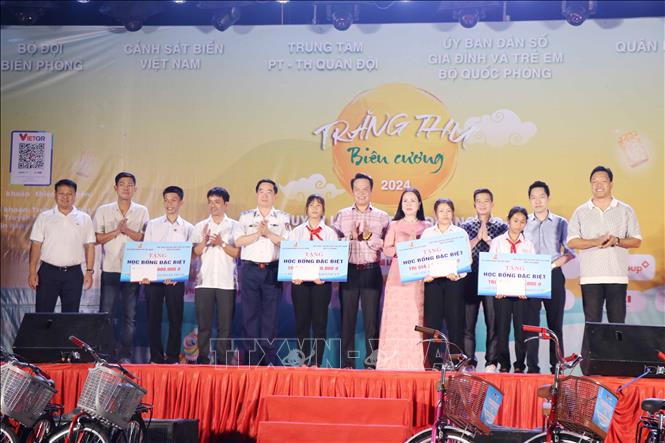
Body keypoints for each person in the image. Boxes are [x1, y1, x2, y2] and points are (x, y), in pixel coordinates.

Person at [567, 166, 641, 326]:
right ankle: (593, 345)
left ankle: (618, 345)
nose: (598, 185)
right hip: (590, 278)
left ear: (611, 184)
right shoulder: (580, 211)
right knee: (593, 327)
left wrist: (617, 240)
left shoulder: (625, 210)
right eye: (594, 181)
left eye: (603, 181)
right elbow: (572, 241)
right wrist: (595, 241)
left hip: (617, 277)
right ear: (590, 184)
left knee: (618, 326)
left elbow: (636, 241)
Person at [333, 173, 390, 369]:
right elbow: (333, 244)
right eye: (357, 189)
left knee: (371, 322)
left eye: (365, 189)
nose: (361, 193)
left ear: (371, 191)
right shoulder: (342, 215)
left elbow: (388, 246)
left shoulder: (382, 216)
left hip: (371, 270)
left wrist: (369, 238)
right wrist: (349, 237)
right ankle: (347, 364)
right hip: (349, 271)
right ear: (352, 191)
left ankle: (371, 364)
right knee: (347, 320)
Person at [94, 172, 149, 363]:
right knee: (106, 314)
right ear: (115, 188)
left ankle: (125, 354)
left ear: (135, 188)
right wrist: (117, 231)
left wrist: (127, 230)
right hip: (110, 269)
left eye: (130, 184)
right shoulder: (104, 210)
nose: (126, 187)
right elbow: (97, 238)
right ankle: (105, 353)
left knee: (129, 316)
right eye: (122, 184)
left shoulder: (142, 211)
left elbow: (145, 238)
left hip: (133, 270)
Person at [235, 179, 290, 366]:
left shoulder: (282, 218)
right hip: (250, 270)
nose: (265, 195)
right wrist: (258, 234)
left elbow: (288, 244)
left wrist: (268, 234)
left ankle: (268, 361)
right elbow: (238, 241)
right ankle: (251, 360)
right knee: (249, 316)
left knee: (270, 318)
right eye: (261, 191)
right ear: (256, 194)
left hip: (272, 271)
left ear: (275, 195)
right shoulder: (245, 217)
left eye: (269, 191)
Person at [377, 188, 430, 371]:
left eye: (413, 200)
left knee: (415, 317)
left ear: (419, 204)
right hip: (397, 277)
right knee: (395, 319)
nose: (408, 204)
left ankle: (415, 363)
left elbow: (431, 250)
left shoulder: (427, 226)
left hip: (418, 277)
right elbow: (387, 248)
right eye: (405, 201)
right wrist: (404, 250)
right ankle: (391, 362)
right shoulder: (395, 225)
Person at [525, 180, 575, 374]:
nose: (537, 201)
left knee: (555, 324)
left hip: (553, 274)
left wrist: (553, 265)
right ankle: (532, 368)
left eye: (541, 197)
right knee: (531, 324)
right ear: (529, 200)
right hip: (530, 276)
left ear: (548, 198)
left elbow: (570, 252)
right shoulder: (524, 222)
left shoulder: (561, 222)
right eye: (533, 197)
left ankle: (557, 367)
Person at [143, 186, 196, 364]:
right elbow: (147, 251)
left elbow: (189, 256)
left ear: (181, 202)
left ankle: (173, 357)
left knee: (175, 318)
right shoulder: (153, 224)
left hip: (175, 280)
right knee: (153, 319)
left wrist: (176, 274)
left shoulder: (188, 228)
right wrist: (148, 274)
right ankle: (156, 357)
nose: (169, 204)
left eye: (173, 200)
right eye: (166, 200)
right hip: (153, 280)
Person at [29, 179, 95, 312]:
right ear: (55, 195)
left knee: (70, 316)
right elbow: (35, 245)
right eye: (61, 193)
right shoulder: (44, 217)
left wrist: (89, 272)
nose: (65, 197)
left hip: (73, 274)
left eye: (69, 194)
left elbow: (90, 246)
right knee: (43, 314)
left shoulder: (84, 218)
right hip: (47, 273)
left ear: (75, 195)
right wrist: (32, 272)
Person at [460, 188, 507, 372]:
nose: (482, 204)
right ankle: (469, 362)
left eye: (486, 201)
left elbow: (504, 252)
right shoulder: (466, 226)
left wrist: (487, 240)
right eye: (478, 201)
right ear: (474, 204)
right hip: (470, 277)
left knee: (493, 323)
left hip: (492, 277)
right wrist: (476, 239)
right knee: (468, 323)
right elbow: (460, 251)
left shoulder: (501, 226)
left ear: (492, 203)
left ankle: (491, 362)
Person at [193, 187, 241, 365]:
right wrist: (204, 241)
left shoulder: (235, 226)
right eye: (210, 202)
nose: (213, 206)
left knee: (225, 326)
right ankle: (203, 358)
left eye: (217, 202)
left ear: (226, 205)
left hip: (226, 282)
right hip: (204, 282)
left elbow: (238, 253)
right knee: (203, 325)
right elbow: (194, 253)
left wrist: (221, 243)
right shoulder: (200, 226)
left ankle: (223, 360)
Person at [288, 194, 338, 367]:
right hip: (300, 284)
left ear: (323, 209)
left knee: (319, 323)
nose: (315, 208)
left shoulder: (330, 233)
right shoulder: (296, 232)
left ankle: (316, 361)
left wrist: (324, 275)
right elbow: (290, 257)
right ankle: (302, 361)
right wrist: (293, 275)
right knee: (302, 323)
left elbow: (333, 260)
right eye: (312, 205)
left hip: (321, 284)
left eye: (318, 205)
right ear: (306, 209)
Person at [421, 198, 469, 368]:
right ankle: (434, 363)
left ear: (453, 213)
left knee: (455, 322)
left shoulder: (460, 233)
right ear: (435, 214)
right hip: (433, 283)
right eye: (441, 211)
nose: (445, 214)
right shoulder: (428, 234)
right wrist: (425, 274)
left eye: (448, 211)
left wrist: (458, 273)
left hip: (453, 282)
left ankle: (456, 361)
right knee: (433, 323)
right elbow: (422, 258)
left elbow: (466, 259)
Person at [490, 206, 536, 373]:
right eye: (515, 220)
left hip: (521, 295)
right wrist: (496, 288)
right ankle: (504, 364)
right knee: (502, 330)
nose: (519, 224)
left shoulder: (528, 245)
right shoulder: (497, 242)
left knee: (520, 331)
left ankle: (519, 365)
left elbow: (531, 269)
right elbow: (491, 266)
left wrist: (526, 290)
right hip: (501, 294)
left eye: (522, 221)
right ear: (508, 221)